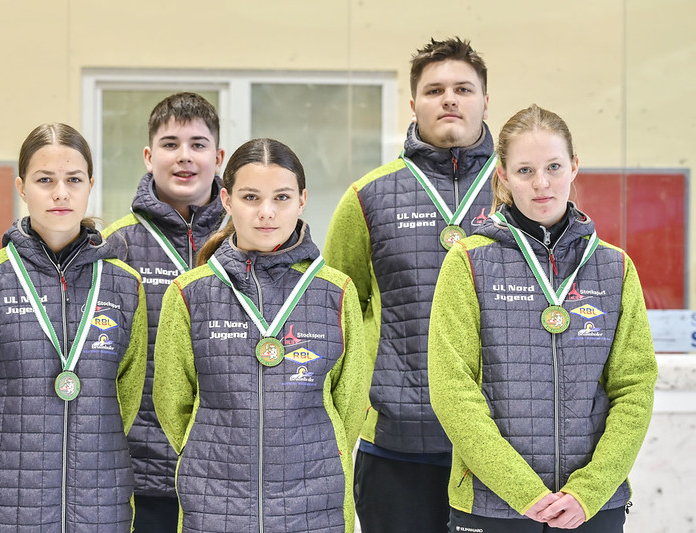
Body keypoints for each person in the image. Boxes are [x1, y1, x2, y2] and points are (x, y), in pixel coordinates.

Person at [428, 104, 657, 531]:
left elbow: (634, 388)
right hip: (493, 504)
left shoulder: (615, 268)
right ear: (503, 176)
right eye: (525, 170)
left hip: (591, 507)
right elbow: (452, 390)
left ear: (574, 167)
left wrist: (589, 491)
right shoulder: (468, 263)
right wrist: (524, 492)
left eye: (553, 166)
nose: (542, 184)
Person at [153, 138, 372, 533]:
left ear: (302, 200)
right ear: (226, 199)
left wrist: (321, 451)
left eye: (282, 197)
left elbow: (350, 401)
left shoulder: (335, 292)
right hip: (214, 499)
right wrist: (210, 449)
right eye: (251, 197)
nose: (266, 212)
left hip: (314, 500)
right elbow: (173, 402)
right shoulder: (189, 293)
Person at [0, 123, 147, 532]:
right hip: (6, 500)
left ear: (90, 184)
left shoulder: (125, 285)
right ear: (21, 187)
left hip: (100, 499)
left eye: (73, 179)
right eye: (44, 180)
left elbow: (125, 393)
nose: (60, 192)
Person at [323, 37, 495, 532]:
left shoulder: (518, 190)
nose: (449, 99)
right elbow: (334, 313)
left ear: (485, 100)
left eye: (463, 88)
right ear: (414, 102)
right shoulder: (368, 197)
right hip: (397, 442)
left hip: (501, 444)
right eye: (434, 89)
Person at [102, 92, 226, 532]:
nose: (185, 157)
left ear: (218, 155)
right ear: (149, 155)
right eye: (171, 144)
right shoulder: (115, 247)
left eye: (198, 144)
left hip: (229, 469)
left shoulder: (244, 240)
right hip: (141, 470)